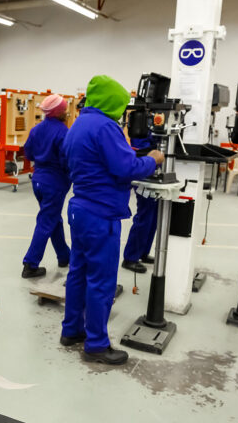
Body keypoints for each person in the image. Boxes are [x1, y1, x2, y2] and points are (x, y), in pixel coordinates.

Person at [61, 75, 164, 365]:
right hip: (101, 214)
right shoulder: (106, 126)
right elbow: (125, 167)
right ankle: (96, 344)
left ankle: (71, 330)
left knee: (78, 273)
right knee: (101, 281)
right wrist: (153, 159)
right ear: (112, 103)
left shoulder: (79, 123)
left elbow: (77, 158)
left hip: (79, 207)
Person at [21, 94, 71, 278]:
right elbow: (66, 160)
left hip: (38, 180)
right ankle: (30, 264)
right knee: (46, 221)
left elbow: (28, 153)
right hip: (55, 181)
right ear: (60, 112)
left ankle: (64, 256)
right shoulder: (63, 132)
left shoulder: (36, 129)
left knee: (52, 218)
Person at [121, 129, 158, 273]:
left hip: (155, 171)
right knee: (145, 214)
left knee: (154, 214)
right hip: (143, 175)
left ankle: (143, 252)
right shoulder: (140, 120)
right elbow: (140, 148)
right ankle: (130, 258)